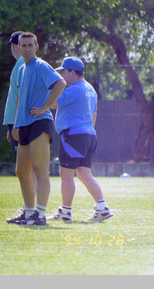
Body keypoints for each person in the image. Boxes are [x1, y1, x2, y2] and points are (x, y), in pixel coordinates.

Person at [9, 32, 66, 226]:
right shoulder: (22, 69)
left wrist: (45, 106)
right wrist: (16, 123)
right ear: (18, 48)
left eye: (30, 45)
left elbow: (60, 83)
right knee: (21, 171)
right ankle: (28, 213)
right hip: (24, 124)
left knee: (40, 169)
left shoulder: (41, 65)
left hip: (40, 122)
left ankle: (40, 215)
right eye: (23, 45)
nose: (26, 48)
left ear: (36, 47)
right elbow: (20, 97)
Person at [46, 57, 112, 222]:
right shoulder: (91, 89)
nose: (62, 75)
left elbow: (53, 104)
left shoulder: (74, 89)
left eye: (63, 72)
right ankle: (102, 208)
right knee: (84, 174)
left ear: (72, 72)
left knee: (66, 174)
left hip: (73, 136)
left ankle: (65, 212)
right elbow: (94, 115)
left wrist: (52, 88)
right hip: (89, 135)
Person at [2, 31, 30, 222]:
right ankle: (30, 208)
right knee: (26, 168)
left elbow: (21, 96)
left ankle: (29, 209)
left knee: (24, 169)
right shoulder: (21, 64)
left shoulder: (21, 63)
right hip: (16, 121)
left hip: (19, 121)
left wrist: (16, 124)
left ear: (14, 46)